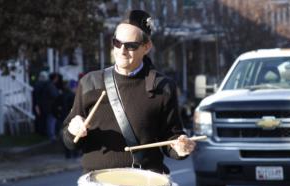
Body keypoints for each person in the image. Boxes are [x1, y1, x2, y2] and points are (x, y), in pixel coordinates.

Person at [63, 10, 195, 177]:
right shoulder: (90, 83)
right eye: (117, 43)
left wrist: (181, 148)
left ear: (146, 47)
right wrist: (73, 131)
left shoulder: (163, 87)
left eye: (131, 46)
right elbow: (69, 142)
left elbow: (171, 138)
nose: (122, 50)